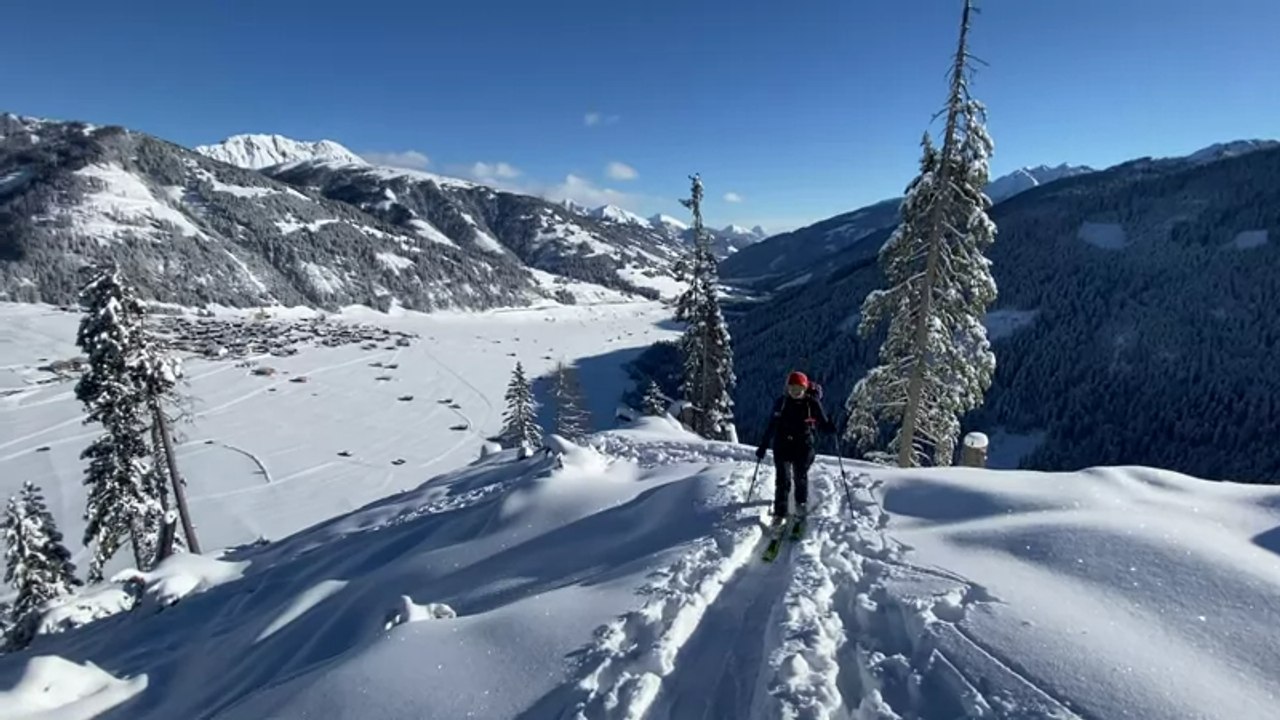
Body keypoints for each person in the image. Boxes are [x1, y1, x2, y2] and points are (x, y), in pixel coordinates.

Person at [755, 371, 836, 521]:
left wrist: (830, 426)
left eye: (799, 390)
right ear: (787, 389)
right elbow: (771, 426)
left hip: (803, 445)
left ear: (805, 389)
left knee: (800, 475)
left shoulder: (812, 403)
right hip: (782, 444)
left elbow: (822, 424)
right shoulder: (782, 403)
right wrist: (763, 446)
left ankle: (801, 503)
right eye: (792, 389)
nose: (795, 393)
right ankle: (780, 511)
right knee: (783, 478)